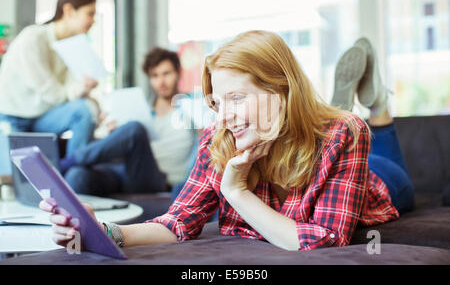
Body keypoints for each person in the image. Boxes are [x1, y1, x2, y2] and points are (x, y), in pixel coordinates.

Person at [40, 31, 414, 251]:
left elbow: (324, 239)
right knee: (335, 122)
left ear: (280, 91)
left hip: (377, 183)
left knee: (375, 147)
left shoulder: (346, 134)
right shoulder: (218, 137)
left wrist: (237, 193)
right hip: (317, 133)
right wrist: (103, 232)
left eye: (236, 98)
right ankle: (341, 104)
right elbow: (180, 221)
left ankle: (376, 103)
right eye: (217, 103)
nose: (224, 118)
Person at [59, 48, 206, 196]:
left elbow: (206, 137)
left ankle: (63, 163)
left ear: (178, 73)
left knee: (135, 129)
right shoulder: (142, 109)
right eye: (154, 76)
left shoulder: (190, 107)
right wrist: (115, 135)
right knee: (77, 175)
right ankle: (69, 169)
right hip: (127, 172)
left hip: (157, 181)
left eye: (166, 74)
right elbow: (122, 155)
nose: (161, 82)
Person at [0, 0, 99, 155]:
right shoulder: (33, 38)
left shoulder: (73, 47)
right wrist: (78, 90)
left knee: (87, 109)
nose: (93, 20)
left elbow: (70, 89)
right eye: (89, 13)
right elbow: (50, 91)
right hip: (13, 117)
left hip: (42, 117)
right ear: (69, 11)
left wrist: (90, 98)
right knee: (21, 178)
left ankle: (75, 166)